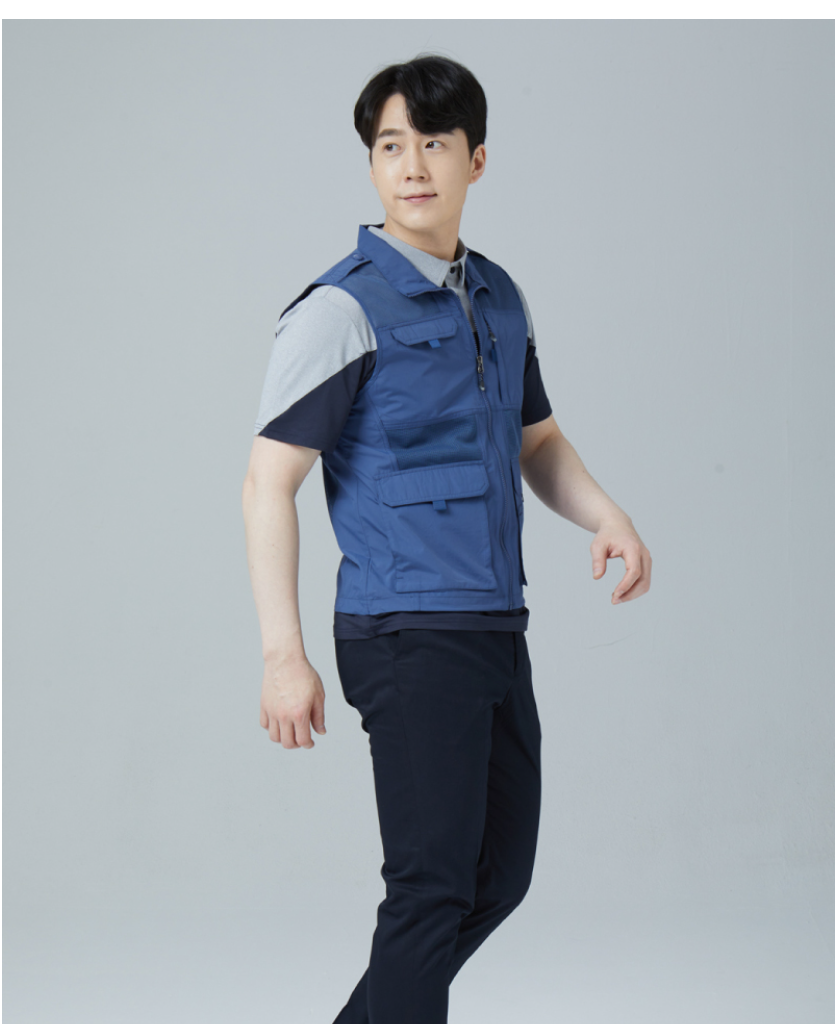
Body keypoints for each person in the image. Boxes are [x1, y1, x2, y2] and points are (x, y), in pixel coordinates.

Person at [242, 53, 652, 1024]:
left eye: (433, 143)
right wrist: (281, 654)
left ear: (476, 159)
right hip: (403, 629)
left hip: (492, 625)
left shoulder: (496, 296)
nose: (413, 166)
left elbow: (536, 440)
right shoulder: (341, 310)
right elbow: (268, 483)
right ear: (371, 164)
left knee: (495, 874)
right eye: (391, 146)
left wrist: (608, 516)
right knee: (430, 889)